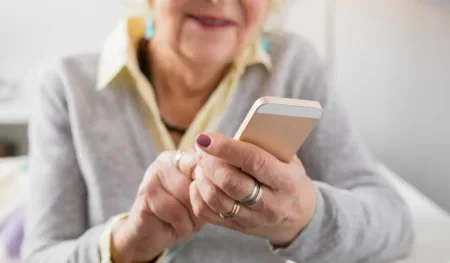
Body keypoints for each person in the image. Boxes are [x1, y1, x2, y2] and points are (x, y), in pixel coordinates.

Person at [22, 0, 415, 262]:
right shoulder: (68, 86)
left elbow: (395, 224)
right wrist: (128, 243)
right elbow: (39, 254)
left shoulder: (293, 66)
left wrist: (303, 217)